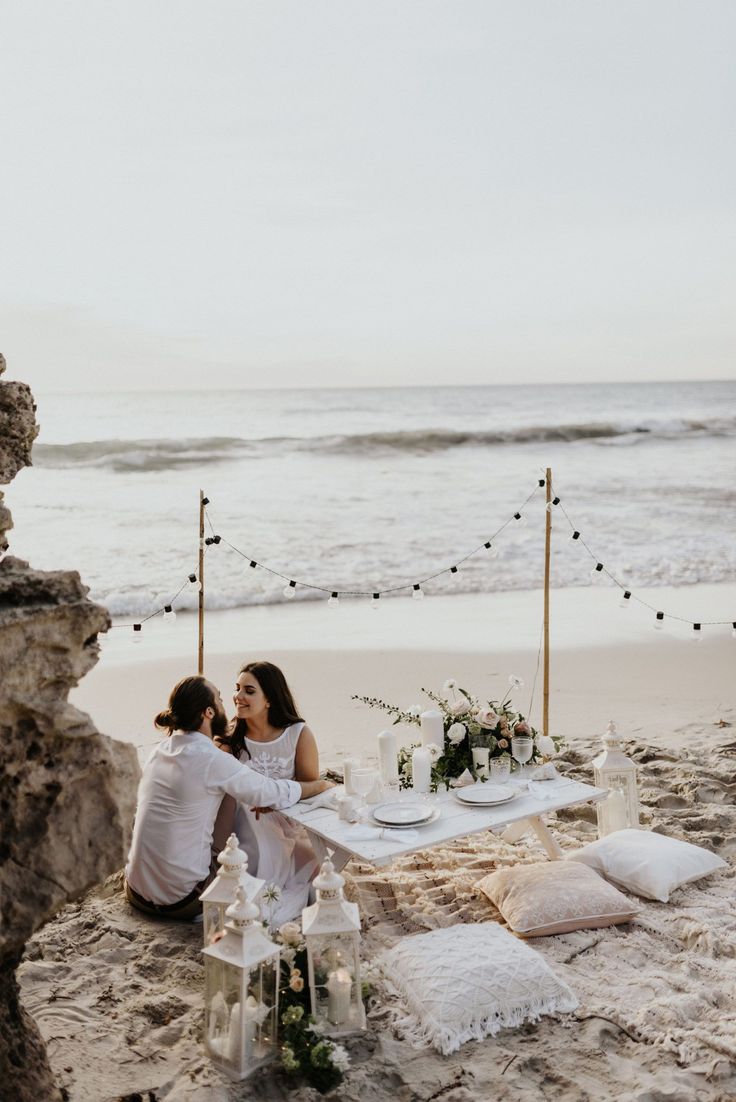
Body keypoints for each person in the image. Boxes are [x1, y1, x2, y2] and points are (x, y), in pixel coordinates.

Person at [124, 674, 332, 920]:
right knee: (232, 796)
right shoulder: (212, 758)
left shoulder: (158, 751)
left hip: (136, 891)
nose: (228, 704)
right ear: (209, 712)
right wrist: (318, 785)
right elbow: (271, 793)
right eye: (221, 699)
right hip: (182, 900)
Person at [224, 661, 322, 925]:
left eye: (249, 690)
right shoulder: (229, 742)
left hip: (288, 827)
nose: (238, 696)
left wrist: (277, 805)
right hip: (242, 831)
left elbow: (310, 792)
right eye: (237, 689)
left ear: (269, 699)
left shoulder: (298, 735)